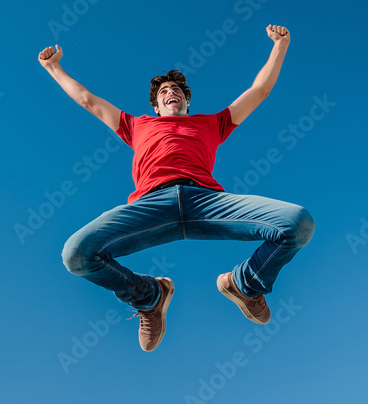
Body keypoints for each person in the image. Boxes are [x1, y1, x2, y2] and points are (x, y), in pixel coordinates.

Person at [37, 25, 314, 352]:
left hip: (206, 202)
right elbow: (88, 101)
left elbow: (259, 90)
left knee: (298, 223)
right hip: (150, 206)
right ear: (156, 104)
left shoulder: (213, 123)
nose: (173, 92)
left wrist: (280, 46)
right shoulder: (135, 124)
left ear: (186, 100)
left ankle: (245, 285)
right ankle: (149, 297)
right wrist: (53, 67)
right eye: (165, 91)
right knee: (76, 255)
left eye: (178, 90)